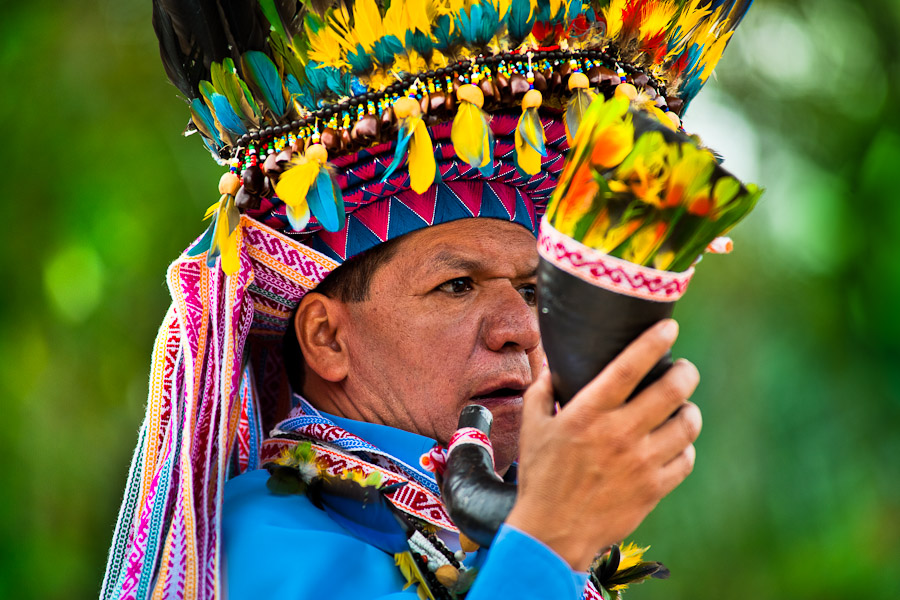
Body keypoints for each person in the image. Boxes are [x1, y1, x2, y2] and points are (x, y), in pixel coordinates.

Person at [101, 2, 752, 599]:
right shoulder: (258, 546)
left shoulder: (518, 529)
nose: (519, 328)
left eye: (531, 290)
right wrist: (553, 540)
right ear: (327, 338)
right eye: (457, 285)